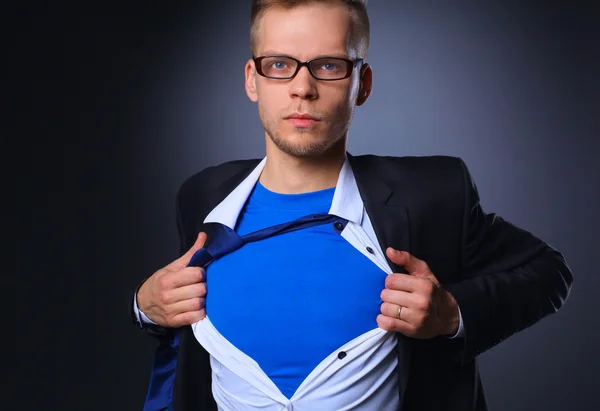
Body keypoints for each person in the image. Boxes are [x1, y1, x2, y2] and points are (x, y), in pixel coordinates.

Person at [130, 1, 573, 410]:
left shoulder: (433, 195)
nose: (302, 88)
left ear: (362, 84)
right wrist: (144, 307)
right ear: (252, 79)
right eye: (280, 64)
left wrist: (451, 313)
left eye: (328, 66)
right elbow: (182, 333)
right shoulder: (203, 196)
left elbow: (547, 272)